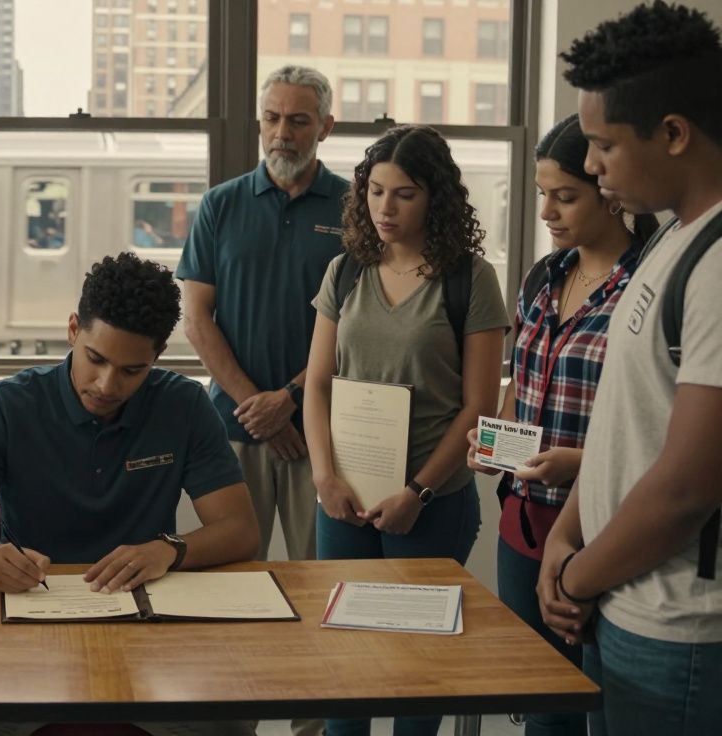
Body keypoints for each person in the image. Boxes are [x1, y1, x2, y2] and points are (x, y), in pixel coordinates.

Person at [0, 252, 260, 736]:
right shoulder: (9, 405)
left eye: (131, 371)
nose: (106, 385)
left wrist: (170, 550)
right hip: (33, 619)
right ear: (74, 329)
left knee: (229, 726)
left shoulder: (183, 405)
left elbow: (241, 530)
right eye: (95, 359)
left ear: (156, 358)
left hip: (148, 627)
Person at [539, 3, 722, 733]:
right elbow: (623, 422)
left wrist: (575, 575)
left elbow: (687, 487)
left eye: (602, 145)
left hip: (677, 626)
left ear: (673, 134)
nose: (589, 164)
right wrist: (563, 539)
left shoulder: (715, 263)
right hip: (618, 598)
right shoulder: (671, 239)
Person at [303, 124, 509, 736]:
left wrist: (417, 492)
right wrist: (323, 478)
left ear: (436, 197)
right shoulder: (345, 272)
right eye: (374, 191)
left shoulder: (470, 279)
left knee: (416, 678)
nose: (384, 209)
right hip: (344, 499)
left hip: (430, 503)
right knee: (346, 675)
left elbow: (477, 406)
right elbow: (316, 383)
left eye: (405, 194)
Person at [464, 114, 656, 736]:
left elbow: (653, 422)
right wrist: (494, 435)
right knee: (541, 703)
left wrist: (579, 462)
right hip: (524, 517)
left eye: (564, 196)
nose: (547, 210)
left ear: (609, 188)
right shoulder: (543, 277)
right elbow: (523, 378)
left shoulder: (644, 287)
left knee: (600, 703)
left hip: (605, 521)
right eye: (542, 193)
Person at [178, 66, 346, 560]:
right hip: (235, 427)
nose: (281, 134)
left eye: (297, 121)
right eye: (271, 119)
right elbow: (196, 319)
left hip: (319, 430)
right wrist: (260, 409)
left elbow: (358, 326)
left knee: (319, 575)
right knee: (232, 578)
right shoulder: (220, 205)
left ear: (325, 127)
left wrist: (291, 399)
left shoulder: (354, 208)